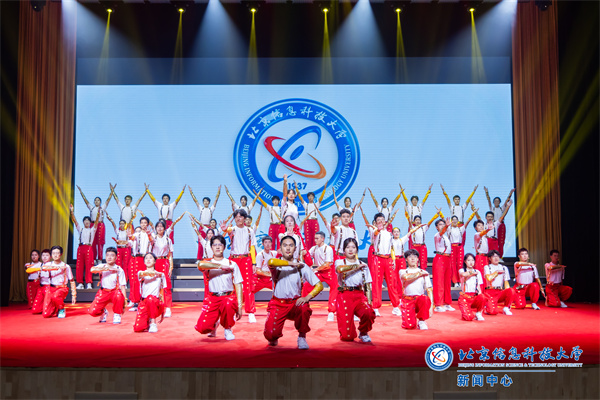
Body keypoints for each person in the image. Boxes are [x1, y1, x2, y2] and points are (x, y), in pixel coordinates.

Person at [264, 236, 323, 349]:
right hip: (278, 304)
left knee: (304, 307)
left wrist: (307, 297)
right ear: (280, 249)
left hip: (294, 304)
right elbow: (271, 261)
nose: (288, 248)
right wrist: (292, 264)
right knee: (271, 336)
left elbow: (319, 285)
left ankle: (302, 337)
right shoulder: (277, 265)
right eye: (285, 245)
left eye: (291, 245)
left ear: (295, 248)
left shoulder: (302, 266)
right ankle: (274, 335)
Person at [194, 235, 244, 340]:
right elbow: (200, 265)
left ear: (224, 247)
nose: (217, 247)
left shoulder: (232, 264)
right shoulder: (207, 263)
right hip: (213, 298)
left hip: (228, 297)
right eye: (215, 245)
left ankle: (228, 329)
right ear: (211, 247)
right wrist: (220, 266)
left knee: (228, 304)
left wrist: (240, 306)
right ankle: (214, 324)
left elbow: (238, 284)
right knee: (202, 328)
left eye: (220, 245)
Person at [359, 209, 401, 317]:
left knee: (392, 283)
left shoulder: (389, 234)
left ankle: (396, 307)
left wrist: (393, 260)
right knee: (377, 284)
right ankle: (376, 307)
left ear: (385, 221)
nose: (381, 221)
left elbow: (391, 248)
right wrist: (377, 229)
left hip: (388, 259)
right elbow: (376, 232)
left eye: (382, 219)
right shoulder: (374, 231)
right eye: (378, 220)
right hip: (378, 259)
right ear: (376, 222)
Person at [333, 238, 376, 342]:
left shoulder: (363, 265)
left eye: (353, 247)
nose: (351, 249)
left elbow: (367, 285)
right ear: (344, 250)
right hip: (344, 295)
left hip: (359, 295)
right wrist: (357, 266)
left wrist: (369, 301)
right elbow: (340, 270)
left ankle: (363, 332)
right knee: (347, 337)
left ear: (357, 249)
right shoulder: (339, 262)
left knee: (369, 312)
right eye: (348, 247)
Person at [221, 209, 258, 323]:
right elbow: (227, 230)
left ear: (244, 218)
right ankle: (233, 311)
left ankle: (250, 312)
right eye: (236, 217)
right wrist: (224, 229)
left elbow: (252, 247)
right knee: (233, 286)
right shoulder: (232, 230)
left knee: (248, 287)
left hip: (246, 260)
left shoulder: (249, 231)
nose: (238, 219)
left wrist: (254, 263)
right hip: (234, 260)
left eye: (240, 216)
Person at [151, 214, 184, 318]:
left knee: (166, 285)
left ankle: (168, 307)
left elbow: (170, 255)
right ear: (155, 228)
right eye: (158, 226)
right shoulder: (152, 239)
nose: (159, 228)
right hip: (155, 263)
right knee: (154, 284)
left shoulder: (168, 240)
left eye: (161, 226)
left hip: (164, 262)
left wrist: (171, 267)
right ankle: (155, 305)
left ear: (164, 228)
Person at [303, 231, 337, 322]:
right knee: (306, 285)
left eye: (317, 238)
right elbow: (308, 258)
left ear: (322, 239)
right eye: (315, 238)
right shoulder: (314, 248)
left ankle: (331, 312)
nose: (315, 240)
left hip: (330, 272)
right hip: (319, 272)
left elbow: (327, 264)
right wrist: (304, 253)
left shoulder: (328, 249)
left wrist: (315, 269)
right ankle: (303, 306)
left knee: (335, 288)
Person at [88, 247, 127, 324]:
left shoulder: (119, 269)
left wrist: (124, 301)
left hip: (114, 292)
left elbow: (122, 286)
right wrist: (104, 269)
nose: (109, 257)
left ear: (116, 258)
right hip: (103, 292)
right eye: (107, 255)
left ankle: (117, 314)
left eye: (112, 255)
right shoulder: (101, 266)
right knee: (92, 311)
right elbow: (92, 270)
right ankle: (103, 312)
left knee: (119, 295)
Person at [399, 249, 434, 330]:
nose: (412, 258)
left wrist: (431, 307)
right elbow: (406, 277)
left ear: (417, 259)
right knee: (409, 326)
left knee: (424, 298)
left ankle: (421, 321)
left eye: (415, 256)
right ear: (406, 259)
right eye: (410, 256)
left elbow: (429, 290)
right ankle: (411, 317)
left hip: (419, 300)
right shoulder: (403, 271)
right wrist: (420, 274)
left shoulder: (424, 272)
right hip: (407, 300)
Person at [40, 246, 77, 318]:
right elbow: (42, 269)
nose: (55, 255)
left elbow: (72, 281)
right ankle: (56, 307)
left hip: (62, 288)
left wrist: (74, 295)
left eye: (57, 253)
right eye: (53, 253)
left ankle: (61, 308)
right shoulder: (48, 265)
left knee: (56, 296)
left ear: (61, 254)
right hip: (51, 288)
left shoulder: (66, 266)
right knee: (46, 314)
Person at [133, 253, 167, 333]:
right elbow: (142, 274)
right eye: (146, 258)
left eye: (150, 258)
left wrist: (164, 308)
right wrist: (154, 274)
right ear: (144, 262)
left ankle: (153, 322)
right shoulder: (141, 273)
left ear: (155, 261)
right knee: (138, 328)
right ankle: (147, 321)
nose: (148, 260)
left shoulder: (161, 275)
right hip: (144, 303)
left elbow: (163, 291)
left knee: (150, 298)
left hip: (155, 302)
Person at [70, 203, 101, 289]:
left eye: (88, 221)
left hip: (88, 248)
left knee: (89, 266)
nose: (86, 222)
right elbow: (74, 221)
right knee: (79, 266)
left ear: (90, 222)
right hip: (81, 248)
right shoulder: (80, 229)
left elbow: (96, 222)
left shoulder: (92, 230)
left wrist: (98, 213)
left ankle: (89, 283)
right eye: (85, 220)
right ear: (83, 222)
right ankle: (80, 283)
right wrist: (72, 212)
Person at [127, 216, 154, 311]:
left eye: (145, 223)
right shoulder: (137, 234)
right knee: (136, 280)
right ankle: (136, 302)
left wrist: (149, 234)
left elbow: (152, 241)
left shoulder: (151, 234)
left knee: (146, 279)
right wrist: (129, 236)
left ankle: (145, 301)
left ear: (148, 224)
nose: (143, 224)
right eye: (142, 223)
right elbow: (132, 238)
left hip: (147, 259)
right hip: (138, 258)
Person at [189, 185, 221, 259]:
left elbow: (216, 201)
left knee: (210, 243)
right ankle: (199, 258)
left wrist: (218, 192)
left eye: (207, 201)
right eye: (204, 201)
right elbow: (196, 201)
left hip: (209, 228)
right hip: (202, 227)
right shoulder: (201, 209)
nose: (206, 202)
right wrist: (191, 192)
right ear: (203, 202)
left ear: (209, 202)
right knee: (201, 243)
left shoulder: (211, 209)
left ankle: (211, 257)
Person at [448, 213, 477, 287]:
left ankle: (460, 280)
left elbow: (467, 222)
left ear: (458, 221)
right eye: (453, 220)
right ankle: (455, 282)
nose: (454, 221)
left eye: (456, 220)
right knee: (453, 265)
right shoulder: (449, 229)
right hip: (452, 247)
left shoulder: (461, 229)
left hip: (460, 247)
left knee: (460, 264)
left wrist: (472, 214)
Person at [484, 187, 515, 257]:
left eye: (498, 201)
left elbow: (507, 201)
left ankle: (500, 256)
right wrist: (486, 192)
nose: (496, 202)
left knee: (501, 242)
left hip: (501, 225)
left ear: (500, 202)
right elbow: (488, 201)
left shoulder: (502, 208)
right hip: (494, 226)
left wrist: (511, 193)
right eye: (495, 201)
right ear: (493, 202)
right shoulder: (492, 208)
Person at [432, 217, 454, 313]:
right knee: (439, 282)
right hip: (440, 259)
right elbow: (442, 232)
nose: (442, 226)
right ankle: (438, 304)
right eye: (440, 224)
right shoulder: (437, 235)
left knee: (447, 282)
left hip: (447, 259)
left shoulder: (446, 237)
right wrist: (446, 227)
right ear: (437, 227)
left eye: (443, 224)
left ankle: (447, 303)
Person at [483, 250, 515, 316]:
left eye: (497, 256)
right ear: (489, 258)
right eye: (493, 256)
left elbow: (506, 282)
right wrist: (497, 272)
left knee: (511, 290)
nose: (496, 258)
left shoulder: (504, 268)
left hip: (500, 291)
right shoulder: (487, 267)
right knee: (492, 312)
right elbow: (489, 278)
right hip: (490, 292)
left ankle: (506, 308)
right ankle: (486, 306)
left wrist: (509, 295)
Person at [296, 183, 327, 250]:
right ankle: (308, 253)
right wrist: (296, 188)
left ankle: (316, 251)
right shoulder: (306, 205)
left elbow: (320, 199)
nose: (310, 197)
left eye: (312, 196)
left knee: (316, 238)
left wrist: (324, 189)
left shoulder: (316, 204)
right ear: (307, 198)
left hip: (314, 222)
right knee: (308, 238)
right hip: (307, 222)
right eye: (309, 196)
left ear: (313, 197)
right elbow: (301, 198)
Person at [458, 253, 486, 321]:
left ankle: (478, 313)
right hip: (465, 297)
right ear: (465, 261)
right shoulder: (462, 270)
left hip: (474, 296)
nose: (471, 262)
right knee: (468, 317)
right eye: (469, 260)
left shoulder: (477, 272)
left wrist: (481, 299)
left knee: (482, 297)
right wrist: (472, 273)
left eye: (472, 260)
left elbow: (479, 287)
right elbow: (463, 274)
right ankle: (467, 312)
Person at [106, 213, 131, 282]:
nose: (121, 225)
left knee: (125, 265)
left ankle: (125, 281)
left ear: (125, 225)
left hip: (125, 249)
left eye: (123, 224)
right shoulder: (118, 232)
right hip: (119, 249)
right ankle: (118, 280)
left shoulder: (127, 232)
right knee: (118, 264)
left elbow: (128, 241)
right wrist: (110, 220)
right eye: (120, 224)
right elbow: (113, 225)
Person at [31, 249, 51, 314]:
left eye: (47, 255)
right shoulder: (41, 265)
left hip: (49, 287)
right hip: (41, 287)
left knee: (47, 312)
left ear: (50, 257)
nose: (44, 257)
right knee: (35, 310)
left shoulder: (51, 265)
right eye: (43, 255)